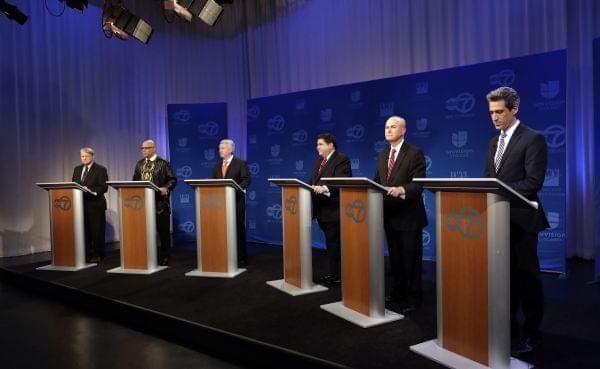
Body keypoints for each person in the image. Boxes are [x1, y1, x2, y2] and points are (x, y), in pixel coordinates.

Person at [484, 87, 549, 355]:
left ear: (514, 109)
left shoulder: (533, 138)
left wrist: (498, 188)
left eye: (499, 112)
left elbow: (533, 182)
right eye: (491, 113)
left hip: (522, 221)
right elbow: (488, 178)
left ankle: (532, 334)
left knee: (526, 280)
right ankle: (507, 329)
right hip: (498, 221)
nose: (495, 117)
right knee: (503, 280)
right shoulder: (492, 143)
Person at [373, 116, 427, 313]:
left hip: (409, 216)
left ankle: (413, 298)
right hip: (388, 216)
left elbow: (418, 184)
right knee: (395, 258)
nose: (388, 129)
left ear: (403, 130)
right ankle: (398, 292)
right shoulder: (382, 155)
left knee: (411, 260)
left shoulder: (414, 153)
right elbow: (376, 182)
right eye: (386, 126)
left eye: (393, 126)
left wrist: (401, 190)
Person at [308, 133, 352, 284]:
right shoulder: (318, 162)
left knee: (335, 245)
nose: (317, 147)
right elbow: (311, 182)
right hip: (321, 210)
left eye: (320, 144)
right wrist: (304, 187)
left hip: (334, 210)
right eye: (317, 144)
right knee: (331, 244)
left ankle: (339, 275)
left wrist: (325, 188)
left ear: (331, 145)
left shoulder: (341, 159)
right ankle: (335, 274)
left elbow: (343, 179)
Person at [132, 139, 177, 266]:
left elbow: (172, 179)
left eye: (146, 148)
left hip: (160, 204)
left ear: (154, 149)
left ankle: (165, 257)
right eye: (142, 148)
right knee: (144, 233)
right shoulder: (139, 164)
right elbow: (135, 180)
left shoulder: (163, 163)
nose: (144, 150)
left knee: (163, 233)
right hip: (143, 204)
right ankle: (146, 256)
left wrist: (166, 188)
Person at [211, 139, 251, 267]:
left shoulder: (240, 163)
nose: (220, 150)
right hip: (221, 203)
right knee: (222, 229)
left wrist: (235, 189)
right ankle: (224, 254)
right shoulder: (216, 166)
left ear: (230, 149)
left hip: (237, 201)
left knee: (238, 228)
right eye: (219, 148)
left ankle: (241, 257)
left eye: (222, 148)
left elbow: (246, 180)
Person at [72, 147, 108, 263]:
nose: (84, 158)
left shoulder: (100, 169)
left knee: (97, 231)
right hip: (80, 205)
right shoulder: (77, 169)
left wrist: (90, 189)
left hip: (95, 205)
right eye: (82, 156)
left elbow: (104, 187)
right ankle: (86, 253)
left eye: (86, 156)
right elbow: (74, 184)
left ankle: (98, 254)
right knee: (84, 231)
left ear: (92, 156)